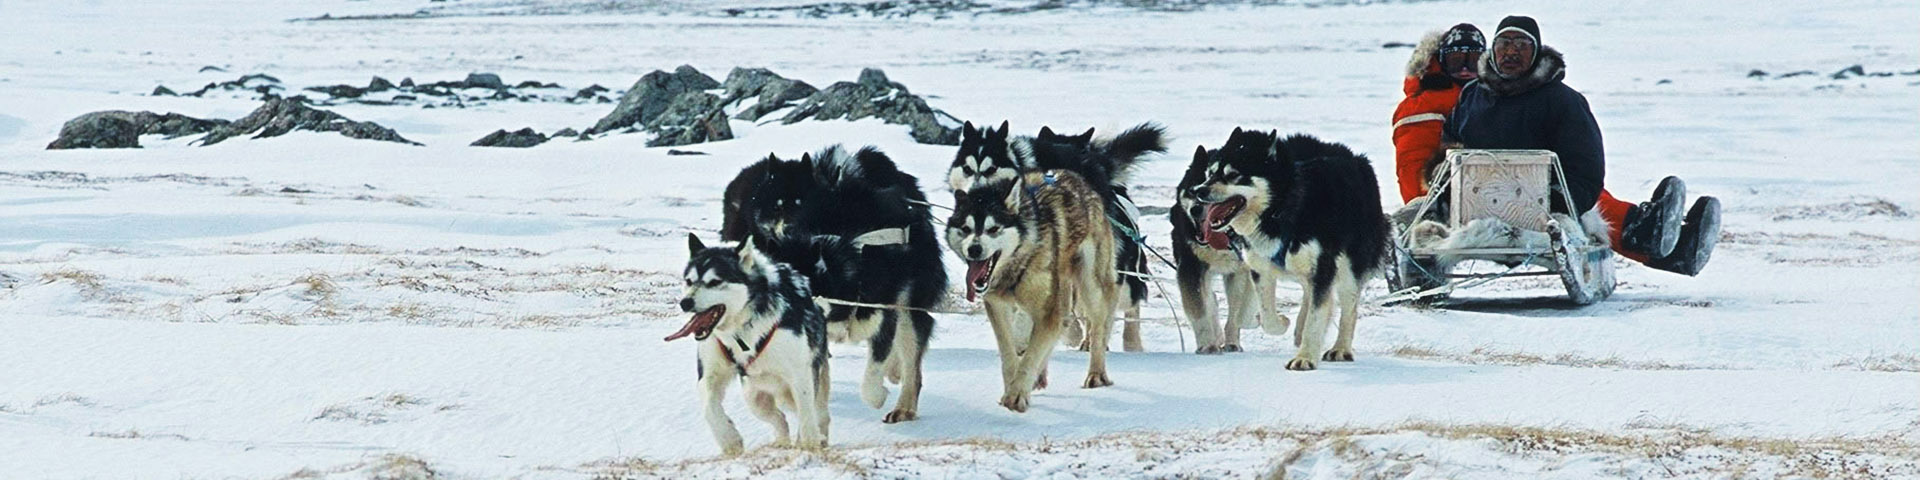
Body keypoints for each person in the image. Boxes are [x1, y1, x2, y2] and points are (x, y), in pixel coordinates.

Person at [1443, 15, 1720, 276]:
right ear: (1492, 51)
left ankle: (1670, 243)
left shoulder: (1563, 101)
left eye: (1521, 45)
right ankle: (1661, 239)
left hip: (1546, 201)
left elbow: (1585, 166)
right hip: (1477, 202)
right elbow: (1446, 154)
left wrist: (1566, 204)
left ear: (1536, 52)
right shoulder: (1471, 98)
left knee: (1593, 207)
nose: (1511, 52)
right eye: (1503, 44)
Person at [1393, 23, 1484, 202]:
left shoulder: (1495, 97)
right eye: (1456, 61)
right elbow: (1414, 176)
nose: (1465, 69)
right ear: (1441, 61)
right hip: (1438, 205)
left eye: (1473, 61)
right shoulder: (1421, 108)